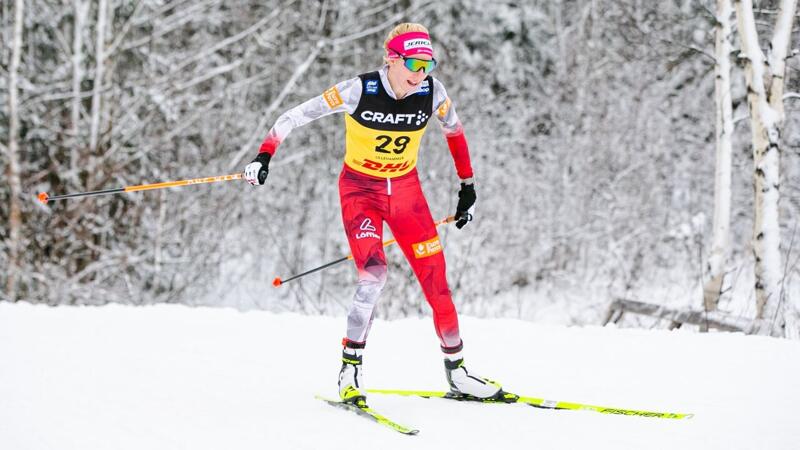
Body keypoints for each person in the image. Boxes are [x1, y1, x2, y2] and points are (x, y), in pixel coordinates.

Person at [244, 23, 501, 404]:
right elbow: (293, 116)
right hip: (360, 192)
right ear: (391, 59)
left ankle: (458, 373)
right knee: (373, 277)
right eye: (413, 63)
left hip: (407, 195)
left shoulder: (433, 93)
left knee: (438, 283)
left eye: (427, 65)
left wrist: (468, 187)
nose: (420, 74)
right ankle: (350, 371)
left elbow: (455, 132)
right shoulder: (359, 89)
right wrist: (265, 155)